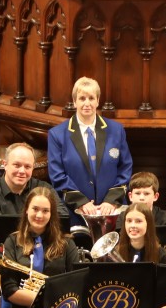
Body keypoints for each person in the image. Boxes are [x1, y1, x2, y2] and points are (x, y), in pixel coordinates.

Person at [48, 77, 133, 226]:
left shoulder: (116, 130)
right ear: (74, 102)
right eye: (82, 98)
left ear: (98, 101)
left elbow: (125, 168)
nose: (87, 103)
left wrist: (110, 201)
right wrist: (82, 203)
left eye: (91, 98)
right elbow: (57, 175)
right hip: (75, 214)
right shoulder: (57, 134)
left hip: (112, 213)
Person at [0, 142, 63, 236]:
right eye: (17, 165)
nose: (22, 171)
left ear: (33, 168)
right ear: (5, 165)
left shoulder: (45, 189)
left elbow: (61, 219)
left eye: (27, 166)